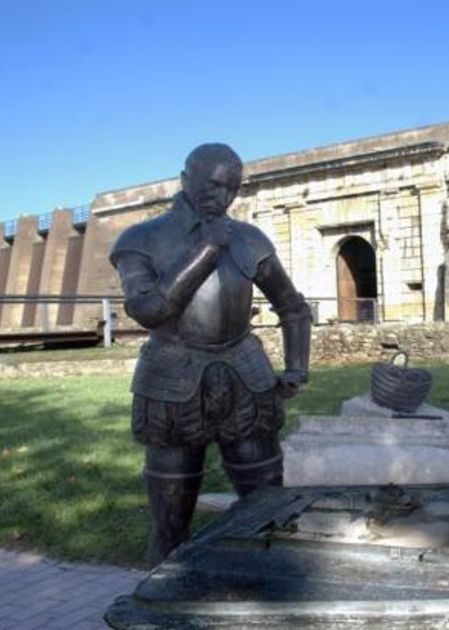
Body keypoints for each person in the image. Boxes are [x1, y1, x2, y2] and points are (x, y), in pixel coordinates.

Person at [109, 143, 311, 565]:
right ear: (186, 180)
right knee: (170, 525)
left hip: (247, 378)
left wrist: (297, 367)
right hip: (171, 379)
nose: (224, 197)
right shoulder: (141, 239)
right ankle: (162, 597)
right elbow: (149, 310)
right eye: (214, 185)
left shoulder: (250, 240)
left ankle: (266, 591)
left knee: (268, 512)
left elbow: (292, 307)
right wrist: (206, 250)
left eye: (233, 188)